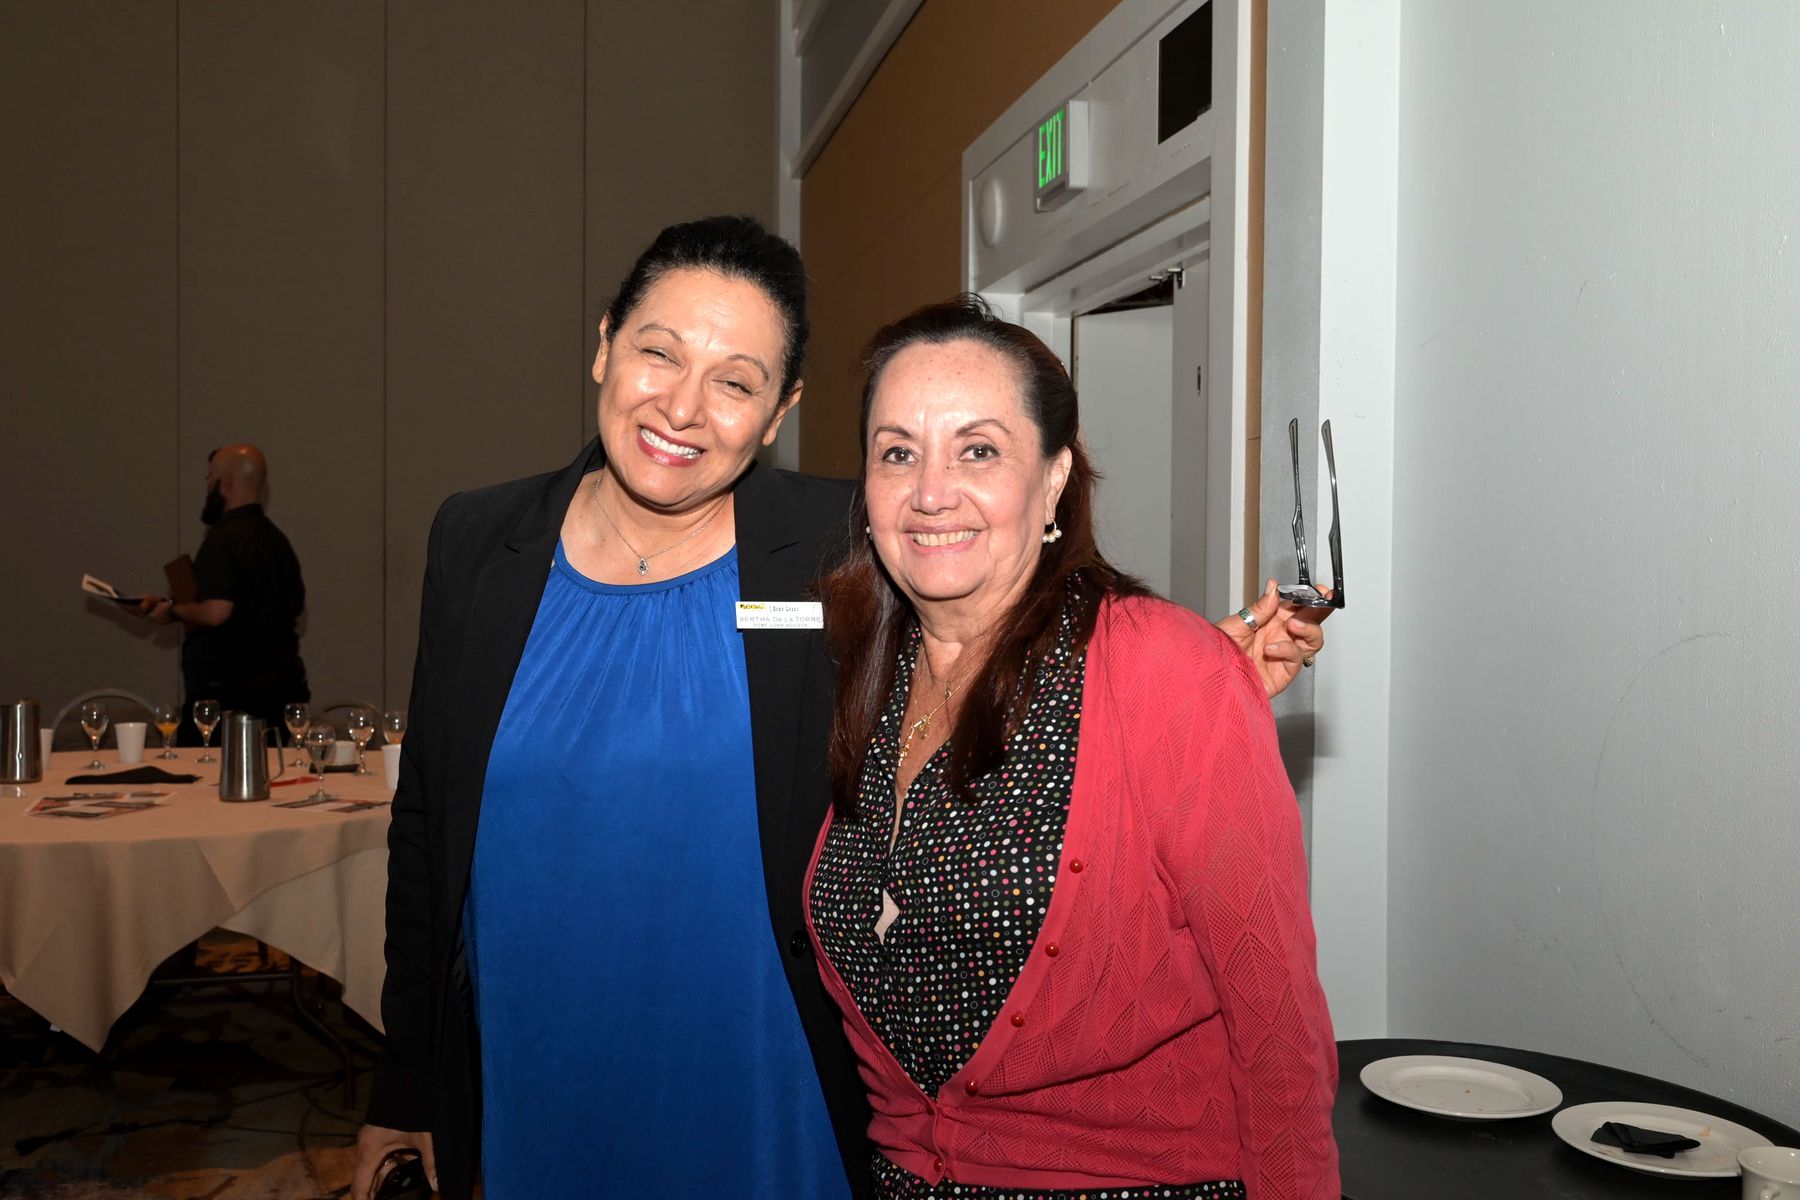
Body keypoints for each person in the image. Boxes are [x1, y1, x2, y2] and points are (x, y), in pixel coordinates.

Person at [351, 217, 1327, 1200]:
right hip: (538, 1062)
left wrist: (1188, 678)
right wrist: (405, 1080)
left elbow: (1000, 603)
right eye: (659, 352)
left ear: (780, 411)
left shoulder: (840, 543)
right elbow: (428, 825)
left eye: (736, 381)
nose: (684, 406)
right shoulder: (477, 542)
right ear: (605, 344)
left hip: (764, 1083)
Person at [807, 296, 1339, 1199]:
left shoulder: (1161, 668)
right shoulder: (866, 675)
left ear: (1054, 478)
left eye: (978, 450)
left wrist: (1195, 685)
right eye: (898, 452)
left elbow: (1277, 1026)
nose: (931, 491)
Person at [137, 444, 309, 736]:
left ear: (226, 482)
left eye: (209, 477)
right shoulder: (277, 541)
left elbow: (217, 612)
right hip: (281, 692)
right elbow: (280, 607)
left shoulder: (224, 538)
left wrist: (173, 611)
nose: (206, 485)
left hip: (229, 702)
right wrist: (170, 604)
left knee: (208, 765)